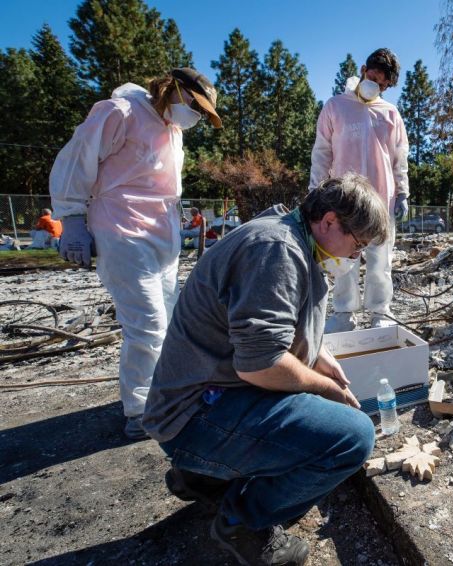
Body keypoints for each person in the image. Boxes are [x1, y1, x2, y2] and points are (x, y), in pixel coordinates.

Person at [142, 174, 389, 566]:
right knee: (352, 438)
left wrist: (318, 354)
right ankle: (243, 521)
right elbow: (261, 363)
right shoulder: (277, 251)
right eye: (357, 245)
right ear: (328, 221)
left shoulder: (285, 235)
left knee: (309, 400)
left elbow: (273, 324)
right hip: (195, 415)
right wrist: (327, 388)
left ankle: (207, 478)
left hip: (201, 397)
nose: (356, 257)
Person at [50, 68, 222, 439]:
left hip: (162, 234)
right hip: (121, 228)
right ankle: (141, 410)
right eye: (195, 106)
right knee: (146, 323)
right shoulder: (119, 112)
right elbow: (75, 161)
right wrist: (71, 217)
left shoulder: (172, 131)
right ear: (174, 89)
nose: (195, 116)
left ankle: (166, 394)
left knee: (170, 319)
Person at [310, 48, 409, 333]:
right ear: (364, 69)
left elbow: (399, 158)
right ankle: (344, 313)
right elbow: (322, 152)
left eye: (383, 84)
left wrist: (402, 191)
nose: (376, 86)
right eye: (374, 77)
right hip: (344, 200)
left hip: (381, 198)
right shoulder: (336, 107)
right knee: (343, 259)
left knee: (380, 259)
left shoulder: (390, 113)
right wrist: (315, 189)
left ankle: (380, 312)